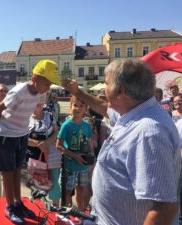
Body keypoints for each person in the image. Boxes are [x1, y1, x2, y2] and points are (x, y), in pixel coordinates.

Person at [62, 59, 180, 225]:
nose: (104, 88)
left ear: (120, 91)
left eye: (107, 83)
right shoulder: (134, 111)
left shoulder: (148, 132)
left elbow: (165, 209)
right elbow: (104, 107)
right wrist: (78, 93)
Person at [0, 59, 60, 225]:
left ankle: (18, 203)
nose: (48, 88)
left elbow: (32, 111)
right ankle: (9, 207)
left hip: (22, 134)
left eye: (50, 84)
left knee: (17, 170)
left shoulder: (41, 93)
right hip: (7, 136)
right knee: (7, 173)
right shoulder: (18, 91)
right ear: (35, 78)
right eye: (46, 83)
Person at [56, 96, 93, 210]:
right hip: (69, 166)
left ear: (86, 109)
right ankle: (68, 213)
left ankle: (80, 213)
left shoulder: (87, 126)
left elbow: (89, 143)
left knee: (81, 190)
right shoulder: (66, 125)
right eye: (75, 105)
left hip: (83, 166)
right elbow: (58, 145)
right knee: (67, 192)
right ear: (70, 107)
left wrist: (90, 156)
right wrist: (75, 156)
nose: (77, 108)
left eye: (81, 106)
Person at [27, 101, 61, 206]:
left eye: (40, 99)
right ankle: (37, 208)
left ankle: (56, 209)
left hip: (52, 155)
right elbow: (22, 137)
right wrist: (38, 144)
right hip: (34, 156)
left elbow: (56, 131)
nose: (37, 102)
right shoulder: (25, 117)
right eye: (34, 99)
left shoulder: (50, 115)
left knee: (55, 182)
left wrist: (47, 143)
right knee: (36, 184)